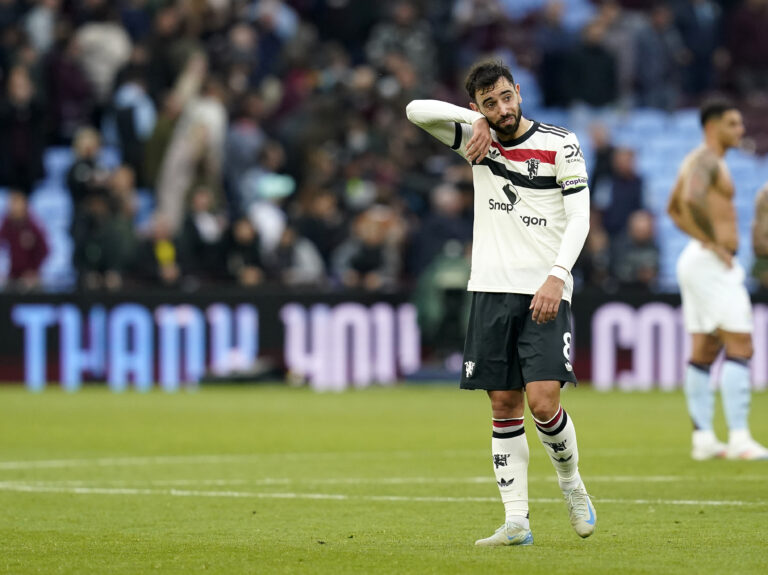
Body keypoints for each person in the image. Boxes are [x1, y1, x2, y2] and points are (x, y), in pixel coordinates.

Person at [406, 60, 595, 547]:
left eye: (506, 97)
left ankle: (571, 484)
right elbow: (414, 109)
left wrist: (558, 277)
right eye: (490, 103)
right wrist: (477, 123)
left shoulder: (561, 143)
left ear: (520, 94)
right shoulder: (477, 139)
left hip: (544, 288)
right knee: (504, 403)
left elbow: (579, 218)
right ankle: (517, 522)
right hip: (489, 288)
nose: (502, 108)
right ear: (478, 108)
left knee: (543, 401)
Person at [666, 98, 768, 461]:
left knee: (705, 350)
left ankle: (704, 439)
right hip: (710, 263)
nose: (740, 130)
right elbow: (689, 201)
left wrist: (706, 241)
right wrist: (714, 242)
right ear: (713, 127)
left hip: (699, 260)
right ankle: (740, 438)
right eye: (733, 124)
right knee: (741, 343)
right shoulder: (707, 160)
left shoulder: (701, 160)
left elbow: (672, 208)